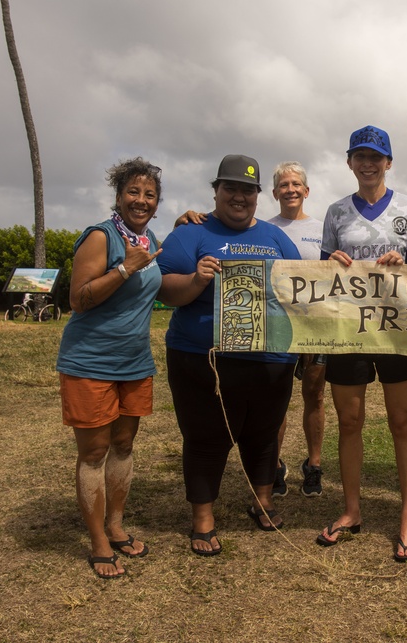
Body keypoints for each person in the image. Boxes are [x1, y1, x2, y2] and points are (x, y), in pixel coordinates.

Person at [158, 154, 300, 557]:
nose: (240, 196)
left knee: (264, 433)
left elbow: (303, 288)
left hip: (271, 359)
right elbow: (164, 290)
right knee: (206, 437)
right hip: (203, 359)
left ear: (258, 195)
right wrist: (195, 279)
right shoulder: (192, 233)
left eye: (248, 190)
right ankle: (203, 518)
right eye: (231, 188)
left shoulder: (276, 237)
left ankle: (263, 501)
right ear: (216, 191)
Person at [315, 125, 407, 561]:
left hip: (397, 331)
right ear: (349, 162)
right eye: (360, 156)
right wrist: (333, 261)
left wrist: (402, 264)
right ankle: (351, 510)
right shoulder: (337, 212)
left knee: (402, 421)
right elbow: (323, 275)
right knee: (350, 421)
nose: (368, 164)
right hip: (348, 331)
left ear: (388, 162)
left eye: (376, 157)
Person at [55, 157, 163, 579]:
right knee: (94, 451)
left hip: (134, 363)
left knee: (123, 445)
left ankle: (116, 525)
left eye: (149, 195)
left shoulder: (150, 238)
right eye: (133, 192)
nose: (141, 200)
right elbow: (78, 299)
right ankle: (99, 541)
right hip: (90, 362)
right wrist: (123, 268)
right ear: (118, 196)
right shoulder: (101, 237)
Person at [266, 161, 328, 498]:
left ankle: (314, 464)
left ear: (306, 191)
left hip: (314, 324)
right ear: (274, 193)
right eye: (283, 185)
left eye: (296, 184)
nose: (290, 190)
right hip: (277, 326)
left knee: (314, 395)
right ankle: (274, 465)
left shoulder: (322, 228)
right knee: (277, 398)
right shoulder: (262, 228)